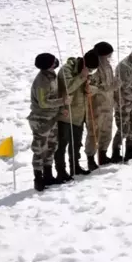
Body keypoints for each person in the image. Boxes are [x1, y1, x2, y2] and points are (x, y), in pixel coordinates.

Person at [28, 53, 72, 191]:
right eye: (53, 61)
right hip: (41, 121)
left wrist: (60, 110)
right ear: (49, 65)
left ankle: (48, 175)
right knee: (40, 149)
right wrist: (62, 102)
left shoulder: (51, 76)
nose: (56, 62)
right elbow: (43, 102)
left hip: (52, 119)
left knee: (52, 147)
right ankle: (38, 178)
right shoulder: (42, 81)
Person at [55, 49, 99, 180]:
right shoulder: (66, 70)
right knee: (62, 145)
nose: (91, 72)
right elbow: (68, 87)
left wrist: (90, 89)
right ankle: (61, 171)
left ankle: (75, 166)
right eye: (89, 69)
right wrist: (81, 77)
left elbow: (97, 86)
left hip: (80, 115)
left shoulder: (88, 72)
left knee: (76, 144)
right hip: (66, 115)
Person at [85, 41, 118, 170]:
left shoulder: (108, 66)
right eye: (108, 55)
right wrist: (110, 87)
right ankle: (90, 158)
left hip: (108, 105)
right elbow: (91, 88)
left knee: (107, 132)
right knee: (94, 134)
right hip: (96, 106)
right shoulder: (93, 67)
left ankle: (103, 154)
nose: (110, 57)